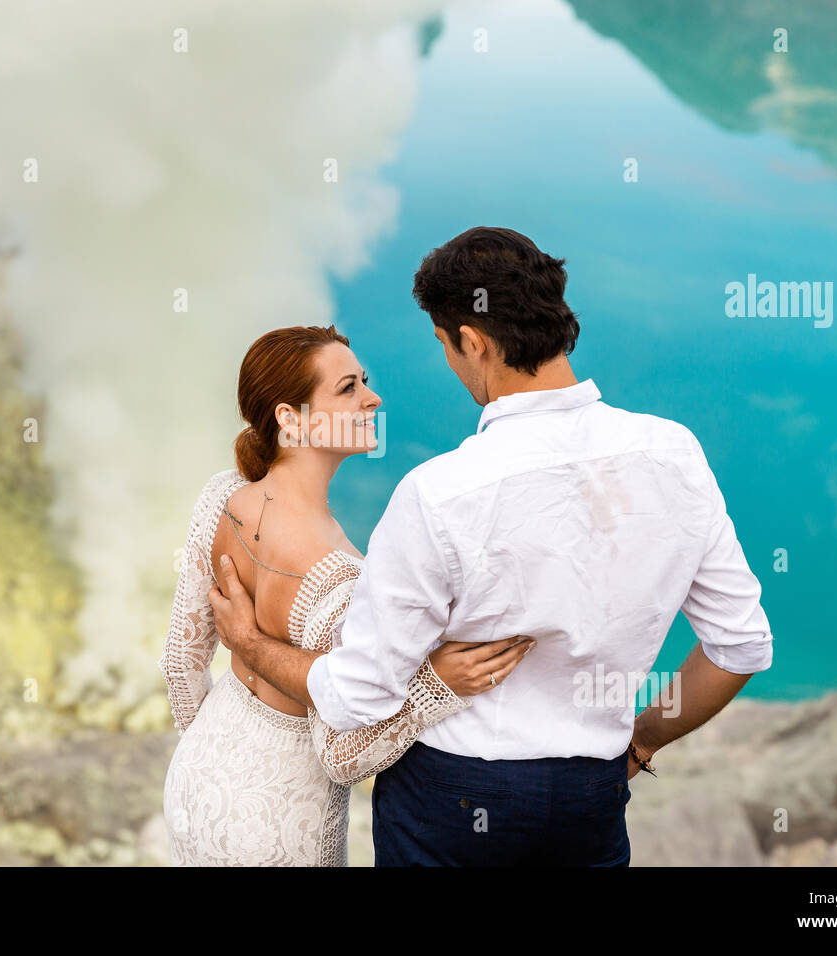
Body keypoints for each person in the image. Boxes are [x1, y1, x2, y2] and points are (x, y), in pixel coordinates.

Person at [209, 226, 775, 866]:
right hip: (590, 799)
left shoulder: (438, 492)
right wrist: (638, 744)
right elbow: (741, 646)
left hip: (449, 801)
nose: (451, 364)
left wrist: (250, 645)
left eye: (446, 346)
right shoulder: (676, 454)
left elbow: (358, 695)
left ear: (472, 342)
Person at [158, 323, 533, 866]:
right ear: (290, 419)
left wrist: (216, 754)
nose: (372, 398)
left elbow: (179, 661)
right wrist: (436, 688)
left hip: (194, 784)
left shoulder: (223, 497)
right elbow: (342, 758)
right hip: (279, 823)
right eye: (348, 388)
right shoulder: (339, 578)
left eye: (365, 381)